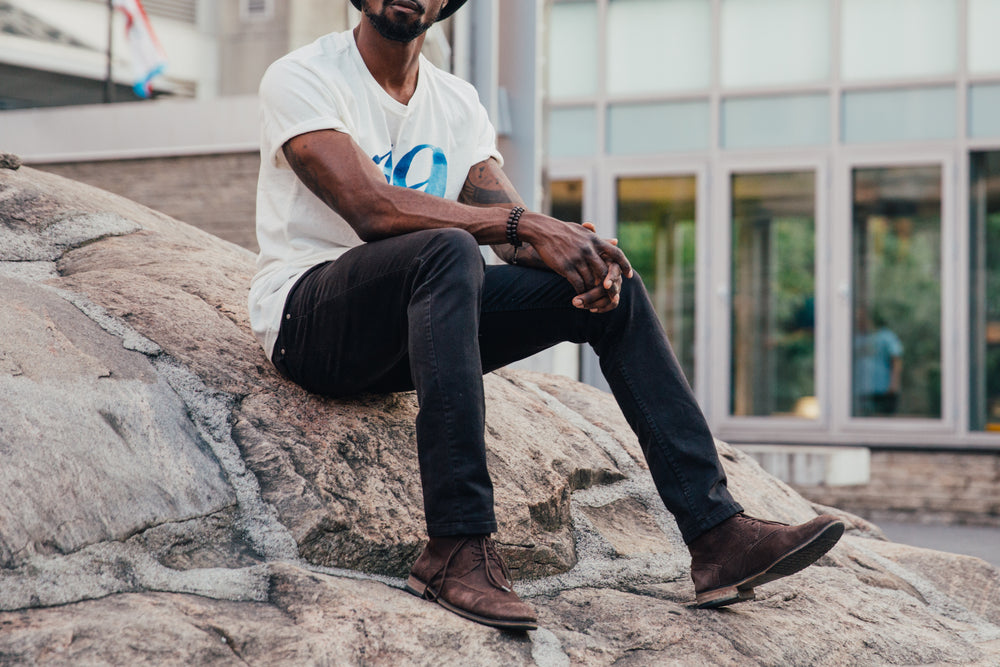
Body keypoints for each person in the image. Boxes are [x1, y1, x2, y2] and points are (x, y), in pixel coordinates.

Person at [249, 0, 845, 632]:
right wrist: (524, 223)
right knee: (448, 249)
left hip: (420, 325)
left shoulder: (455, 102)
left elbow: (511, 237)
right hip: (310, 323)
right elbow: (370, 209)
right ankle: (455, 546)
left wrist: (579, 255)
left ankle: (717, 536)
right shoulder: (303, 75)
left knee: (607, 277)